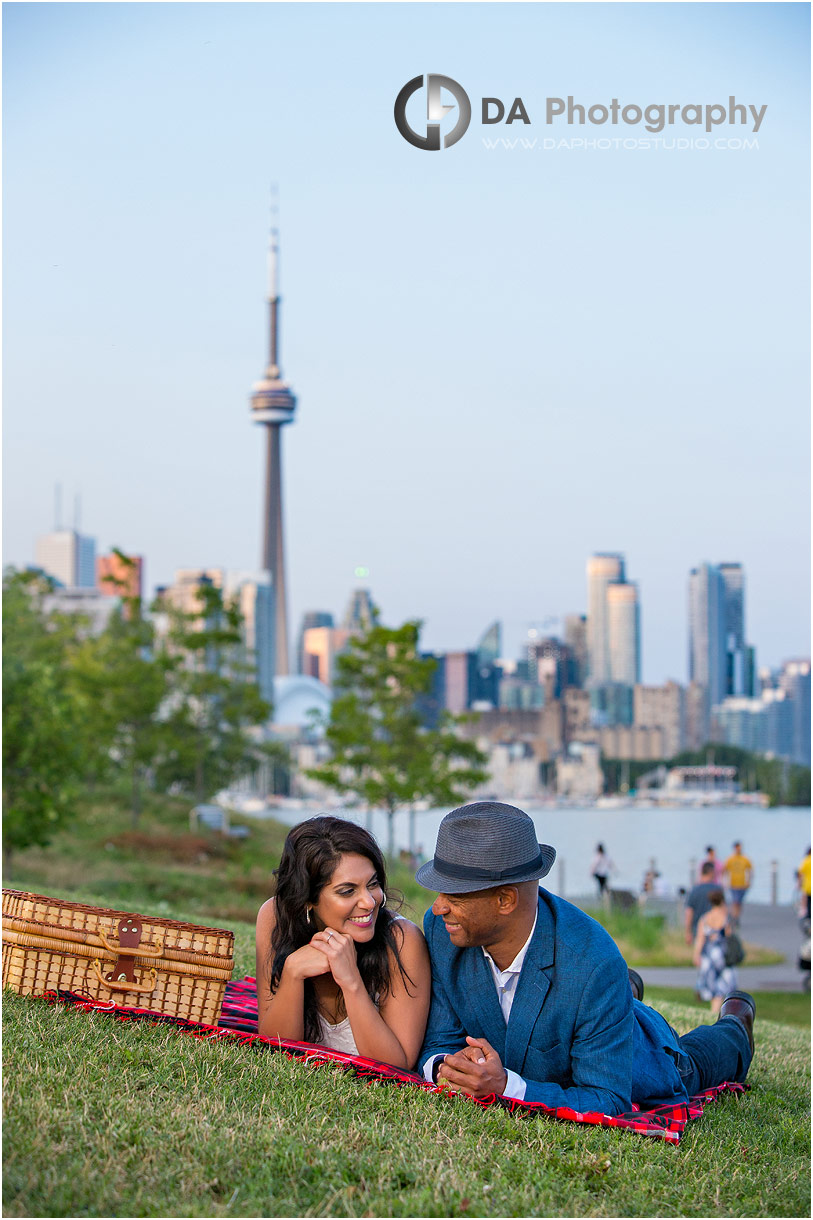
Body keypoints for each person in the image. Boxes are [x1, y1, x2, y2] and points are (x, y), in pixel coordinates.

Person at [416, 801, 754, 1113]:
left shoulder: (592, 962)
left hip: (641, 1059)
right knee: (591, 997)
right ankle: (624, 994)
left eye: (454, 895)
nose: (437, 907)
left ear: (505, 901)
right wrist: (449, 1068)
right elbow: (439, 1040)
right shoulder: (442, 931)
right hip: (587, 1000)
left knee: (689, 1065)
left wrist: (505, 1087)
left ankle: (736, 1022)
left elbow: (607, 1098)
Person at [255, 816, 431, 1068]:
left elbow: (395, 1067)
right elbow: (274, 1050)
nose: (370, 902)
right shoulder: (275, 918)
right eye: (348, 891)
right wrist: (293, 973)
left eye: (373, 884)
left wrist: (352, 983)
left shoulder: (402, 941)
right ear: (307, 898)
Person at [693, 888, 737, 1014]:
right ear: (722, 901)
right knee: (723, 984)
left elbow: (700, 939)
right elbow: (729, 936)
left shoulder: (705, 918)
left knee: (712, 984)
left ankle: (714, 1010)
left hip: (709, 955)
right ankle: (718, 1011)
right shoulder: (724, 918)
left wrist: (696, 955)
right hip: (722, 955)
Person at [684, 861, 720, 945]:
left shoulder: (694, 890)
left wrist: (688, 932)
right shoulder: (717, 890)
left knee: (699, 953)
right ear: (711, 872)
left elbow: (689, 912)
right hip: (714, 929)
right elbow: (722, 910)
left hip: (697, 930)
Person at [723, 841, 753, 925]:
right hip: (733, 884)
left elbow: (750, 870)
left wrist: (749, 881)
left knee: (739, 902)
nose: (739, 849)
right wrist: (724, 882)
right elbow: (724, 870)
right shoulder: (730, 859)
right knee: (735, 901)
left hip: (743, 884)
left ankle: (737, 916)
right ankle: (734, 917)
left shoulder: (745, 859)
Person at [796, 846, 811, 918]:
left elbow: (800, 873)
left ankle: (804, 912)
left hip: (808, 886)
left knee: (805, 900)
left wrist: (799, 884)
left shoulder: (806, 861)